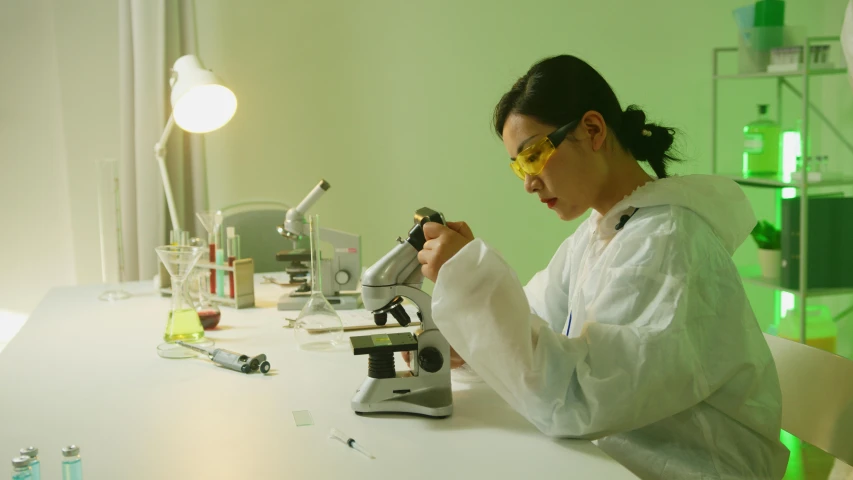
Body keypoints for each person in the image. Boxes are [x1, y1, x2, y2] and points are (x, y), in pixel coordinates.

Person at [415, 55, 790, 479]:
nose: (528, 182)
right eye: (519, 166)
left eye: (534, 155)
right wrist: (470, 338)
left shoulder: (667, 240)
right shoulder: (604, 231)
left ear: (592, 130)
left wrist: (470, 282)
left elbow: (576, 399)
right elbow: (535, 317)